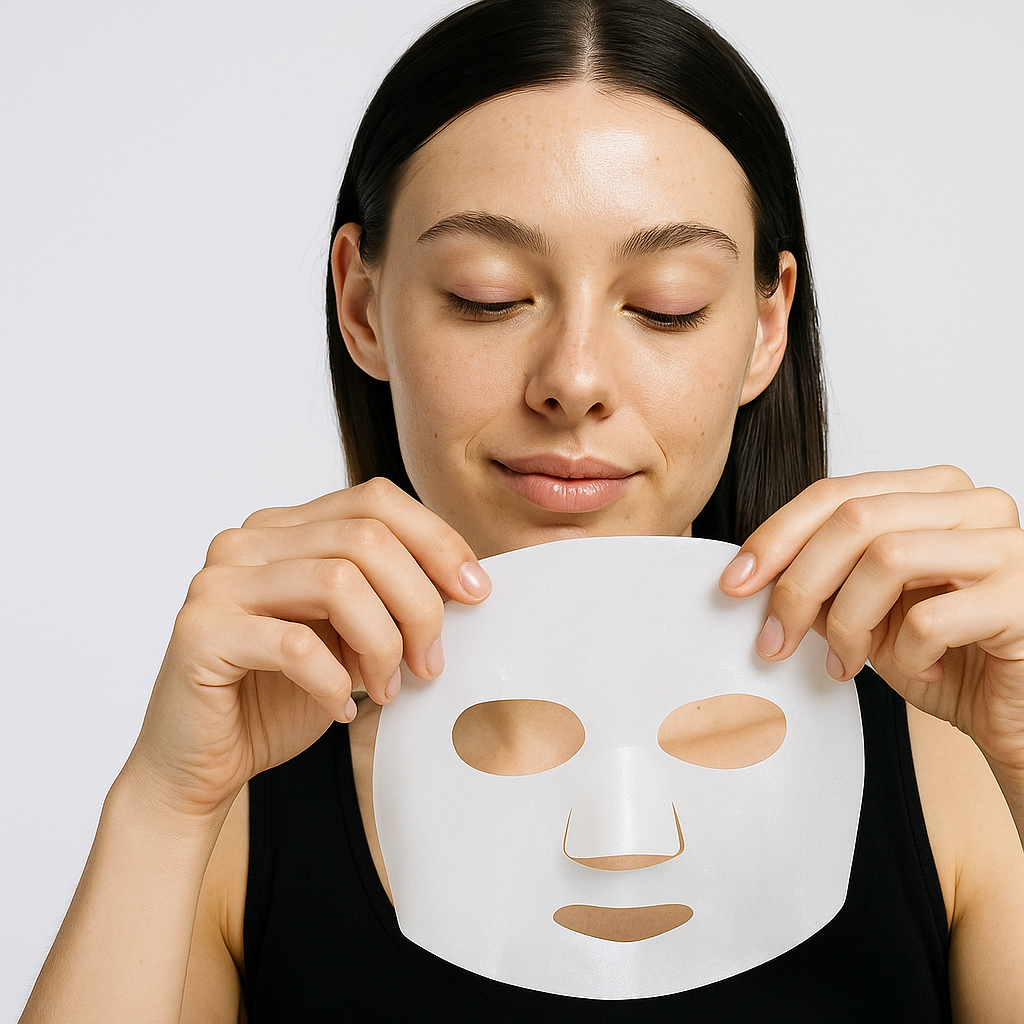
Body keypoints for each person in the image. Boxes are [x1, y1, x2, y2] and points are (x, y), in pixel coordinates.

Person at [19, 0, 1024, 1020]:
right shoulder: (239, 802)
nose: (573, 378)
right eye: (486, 293)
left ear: (766, 327)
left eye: (665, 302)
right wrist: (160, 804)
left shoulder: (957, 775)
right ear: (363, 305)